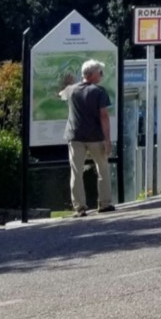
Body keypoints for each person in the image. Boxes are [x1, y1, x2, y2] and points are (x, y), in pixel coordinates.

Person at [65, 59, 115, 215]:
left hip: (75, 136)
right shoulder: (99, 92)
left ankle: (79, 207)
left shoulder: (71, 90)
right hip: (95, 136)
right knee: (102, 169)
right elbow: (104, 116)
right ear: (92, 74)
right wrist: (107, 140)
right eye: (100, 72)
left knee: (76, 172)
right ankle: (104, 203)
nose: (101, 75)